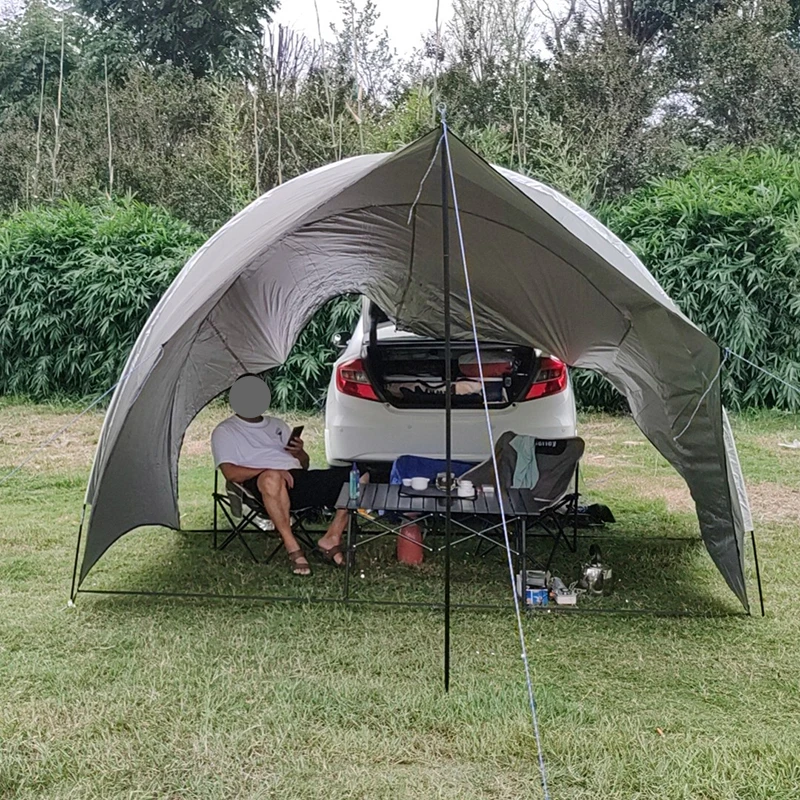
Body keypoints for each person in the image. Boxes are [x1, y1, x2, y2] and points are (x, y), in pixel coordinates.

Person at [211, 374, 357, 576]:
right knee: (272, 478)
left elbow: (303, 465)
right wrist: (270, 472)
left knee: (357, 476)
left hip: (295, 479)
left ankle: (332, 537)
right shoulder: (225, 431)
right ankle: (293, 548)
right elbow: (230, 473)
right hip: (261, 484)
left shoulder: (277, 425)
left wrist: (299, 453)